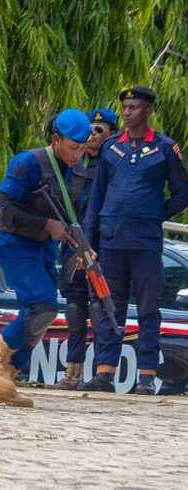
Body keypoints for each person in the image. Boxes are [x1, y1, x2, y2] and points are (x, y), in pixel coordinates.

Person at [0, 108, 92, 408]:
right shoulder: (28, 163)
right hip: (11, 239)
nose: (78, 154)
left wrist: (82, 250)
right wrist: (46, 225)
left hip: (43, 245)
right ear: (56, 140)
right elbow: (3, 210)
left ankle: (4, 381)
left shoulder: (77, 172)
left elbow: (72, 218)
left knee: (43, 315)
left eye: (82, 148)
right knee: (41, 303)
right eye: (73, 147)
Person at [79, 86, 188, 395]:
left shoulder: (164, 148)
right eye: (125, 107)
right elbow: (96, 198)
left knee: (149, 309)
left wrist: (157, 213)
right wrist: (89, 243)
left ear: (148, 110)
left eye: (134, 107)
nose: (127, 113)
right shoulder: (112, 148)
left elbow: (182, 191)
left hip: (145, 241)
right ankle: (104, 373)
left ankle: (146, 376)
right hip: (111, 239)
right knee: (109, 307)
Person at [52, 106, 118, 389]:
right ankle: (72, 372)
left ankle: (101, 373)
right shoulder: (73, 164)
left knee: (99, 307)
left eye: (99, 130)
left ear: (111, 134)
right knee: (74, 306)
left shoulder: (114, 163)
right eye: (90, 129)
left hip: (104, 243)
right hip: (73, 243)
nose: (92, 135)